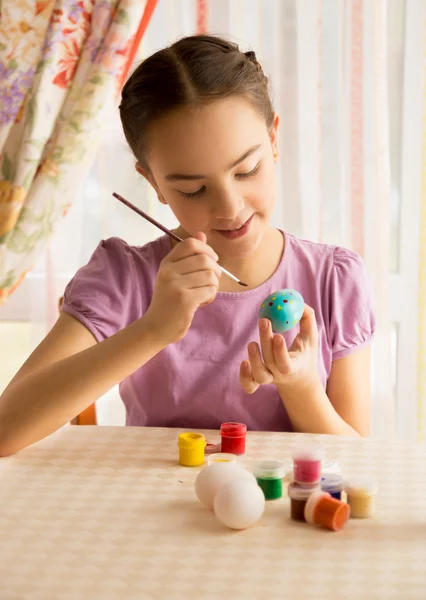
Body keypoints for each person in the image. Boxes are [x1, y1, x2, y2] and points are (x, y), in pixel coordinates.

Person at [0, 35, 375, 456]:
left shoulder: (332, 279)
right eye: (194, 190)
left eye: (247, 170)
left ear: (273, 139)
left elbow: (360, 458)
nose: (229, 208)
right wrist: (154, 329)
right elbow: (6, 429)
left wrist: (301, 386)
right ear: (153, 184)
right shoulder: (126, 277)